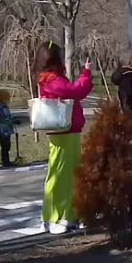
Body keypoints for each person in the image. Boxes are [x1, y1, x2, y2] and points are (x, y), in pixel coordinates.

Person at [34, 41, 93, 235]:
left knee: (71, 175)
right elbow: (74, 91)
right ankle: (50, 217)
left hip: (70, 131)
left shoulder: (54, 77)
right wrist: (85, 74)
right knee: (58, 176)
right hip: (62, 133)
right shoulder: (50, 78)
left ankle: (69, 214)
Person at [0, 90, 17, 167]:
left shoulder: (4, 105)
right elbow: (2, 117)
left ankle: (6, 160)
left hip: (7, 129)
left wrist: (13, 120)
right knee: (4, 145)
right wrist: (11, 121)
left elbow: (7, 116)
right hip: (2, 129)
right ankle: (5, 161)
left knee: (8, 145)